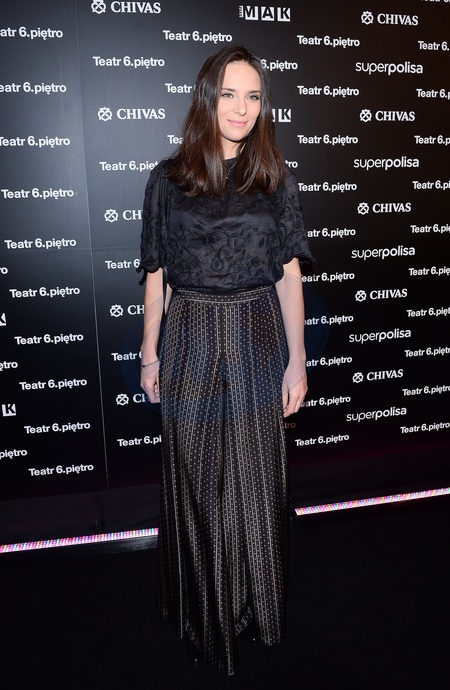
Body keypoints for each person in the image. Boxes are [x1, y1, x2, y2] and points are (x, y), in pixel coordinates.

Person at [138, 45, 314, 676]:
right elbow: (156, 274)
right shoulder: (168, 179)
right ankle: (202, 612)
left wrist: (297, 361)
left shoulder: (274, 177)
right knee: (196, 481)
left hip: (259, 335)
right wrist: (149, 353)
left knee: (256, 478)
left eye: (254, 96)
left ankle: (254, 606)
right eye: (230, 94)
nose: (242, 108)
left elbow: (289, 276)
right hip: (189, 336)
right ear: (207, 98)